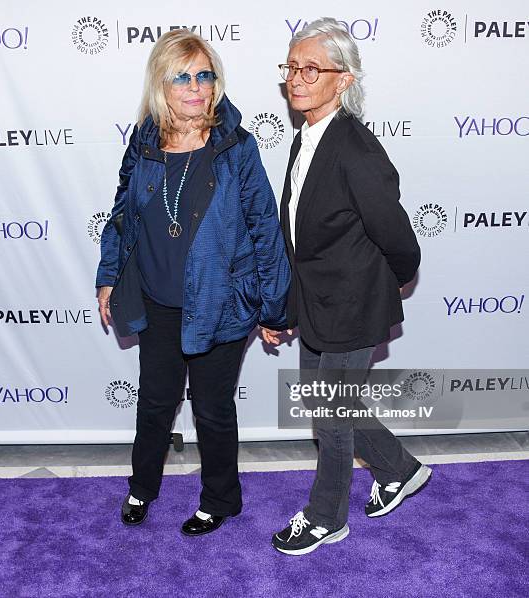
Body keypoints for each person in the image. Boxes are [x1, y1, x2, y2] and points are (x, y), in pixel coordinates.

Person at [96, 29, 290, 537]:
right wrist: (108, 277)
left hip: (221, 301)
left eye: (205, 75)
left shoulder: (236, 147)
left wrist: (274, 307)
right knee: (155, 402)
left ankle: (220, 499)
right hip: (157, 298)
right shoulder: (143, 142)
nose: (197, 87)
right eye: (182, 76)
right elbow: (121, 216)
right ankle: (141, 487)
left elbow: (264, 227)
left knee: (212, 407)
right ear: (161, 83)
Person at [266, 17, 431, 556]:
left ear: (344, 79)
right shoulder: (307, 137)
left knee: (332, 418)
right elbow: (302, 236)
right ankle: (400, 469)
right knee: (330, 407)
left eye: (311, 68)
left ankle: (325, 517)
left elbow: (398, 238)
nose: (297, 77)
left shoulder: (356, 149)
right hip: (317, 302)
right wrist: (291, 305)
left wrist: (385, 283)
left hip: (353, 305)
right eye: (291, 66)